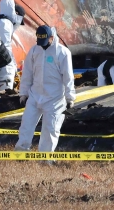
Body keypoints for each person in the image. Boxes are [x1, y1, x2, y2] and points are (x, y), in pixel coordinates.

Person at [15, 26, 75, 154]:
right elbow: (27, 74)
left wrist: (70, 98)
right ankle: (20, 153)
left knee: (51, 129)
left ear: (51, 38)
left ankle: (45, 158)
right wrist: (23, 94)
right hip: (35, 96)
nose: (41, 45)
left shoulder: (63, 53)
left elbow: (68, 77)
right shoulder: (34, 51)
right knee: (26, 126)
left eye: (45, 41)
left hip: (55, 99)